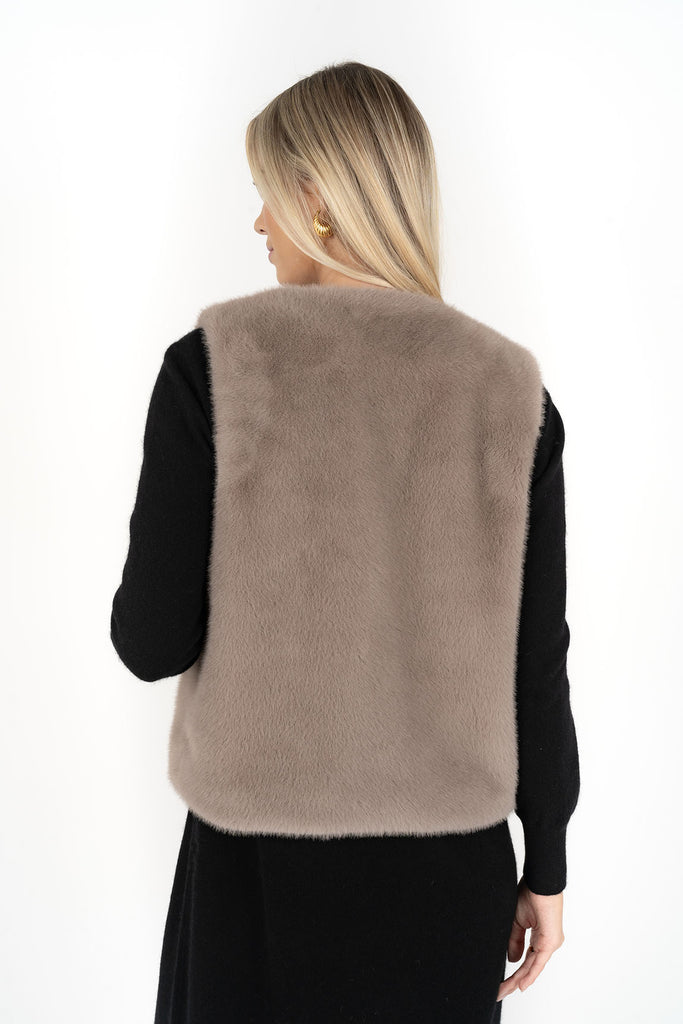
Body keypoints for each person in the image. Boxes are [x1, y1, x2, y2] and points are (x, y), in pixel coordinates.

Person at [110, 61, 580, 1023]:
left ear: (318, 199)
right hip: (449, 879)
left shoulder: (213, 369)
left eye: (267, 195)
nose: (259, 223)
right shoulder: (510, 393)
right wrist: (546, 866)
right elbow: (536, 667)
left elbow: (148, 642)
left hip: (256, 873)